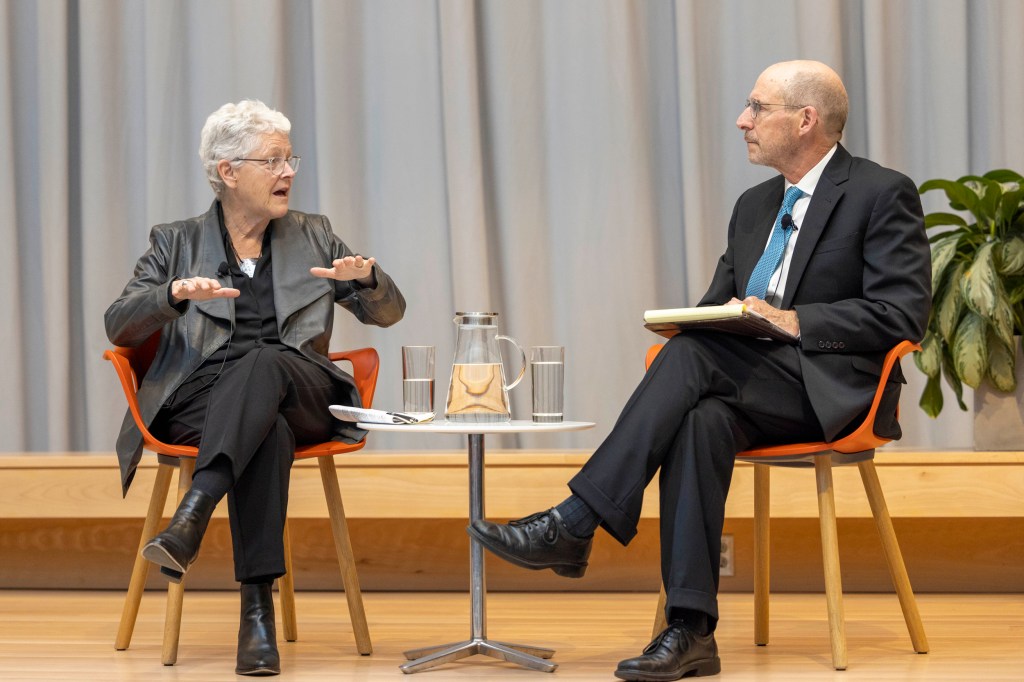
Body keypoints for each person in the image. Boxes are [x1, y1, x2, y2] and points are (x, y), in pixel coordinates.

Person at [468, 60, 931, 681]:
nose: (743, 120)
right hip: (746, 386)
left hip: (833, 390)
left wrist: (795, 319)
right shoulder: (753, 205)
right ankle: (690, 631)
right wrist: (687, 320)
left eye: (757, 107)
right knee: (699, 416)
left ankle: (576, 523)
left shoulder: (880, 192)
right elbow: (719, 306)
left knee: (692, 361)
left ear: (806, 119)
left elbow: (902, 312)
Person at [105, 99, 405, 676]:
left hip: (307, 389)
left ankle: (193, 515)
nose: (289, 172)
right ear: (228, 171)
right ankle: (256, 613)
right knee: (266, 431)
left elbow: (388, 314)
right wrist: (171, 296)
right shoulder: (175, 242)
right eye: (274, 160)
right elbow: (119, 323)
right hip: (206, 401)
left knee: (265, 363)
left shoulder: (314, 235)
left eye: (290, 159)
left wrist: (366, 278)